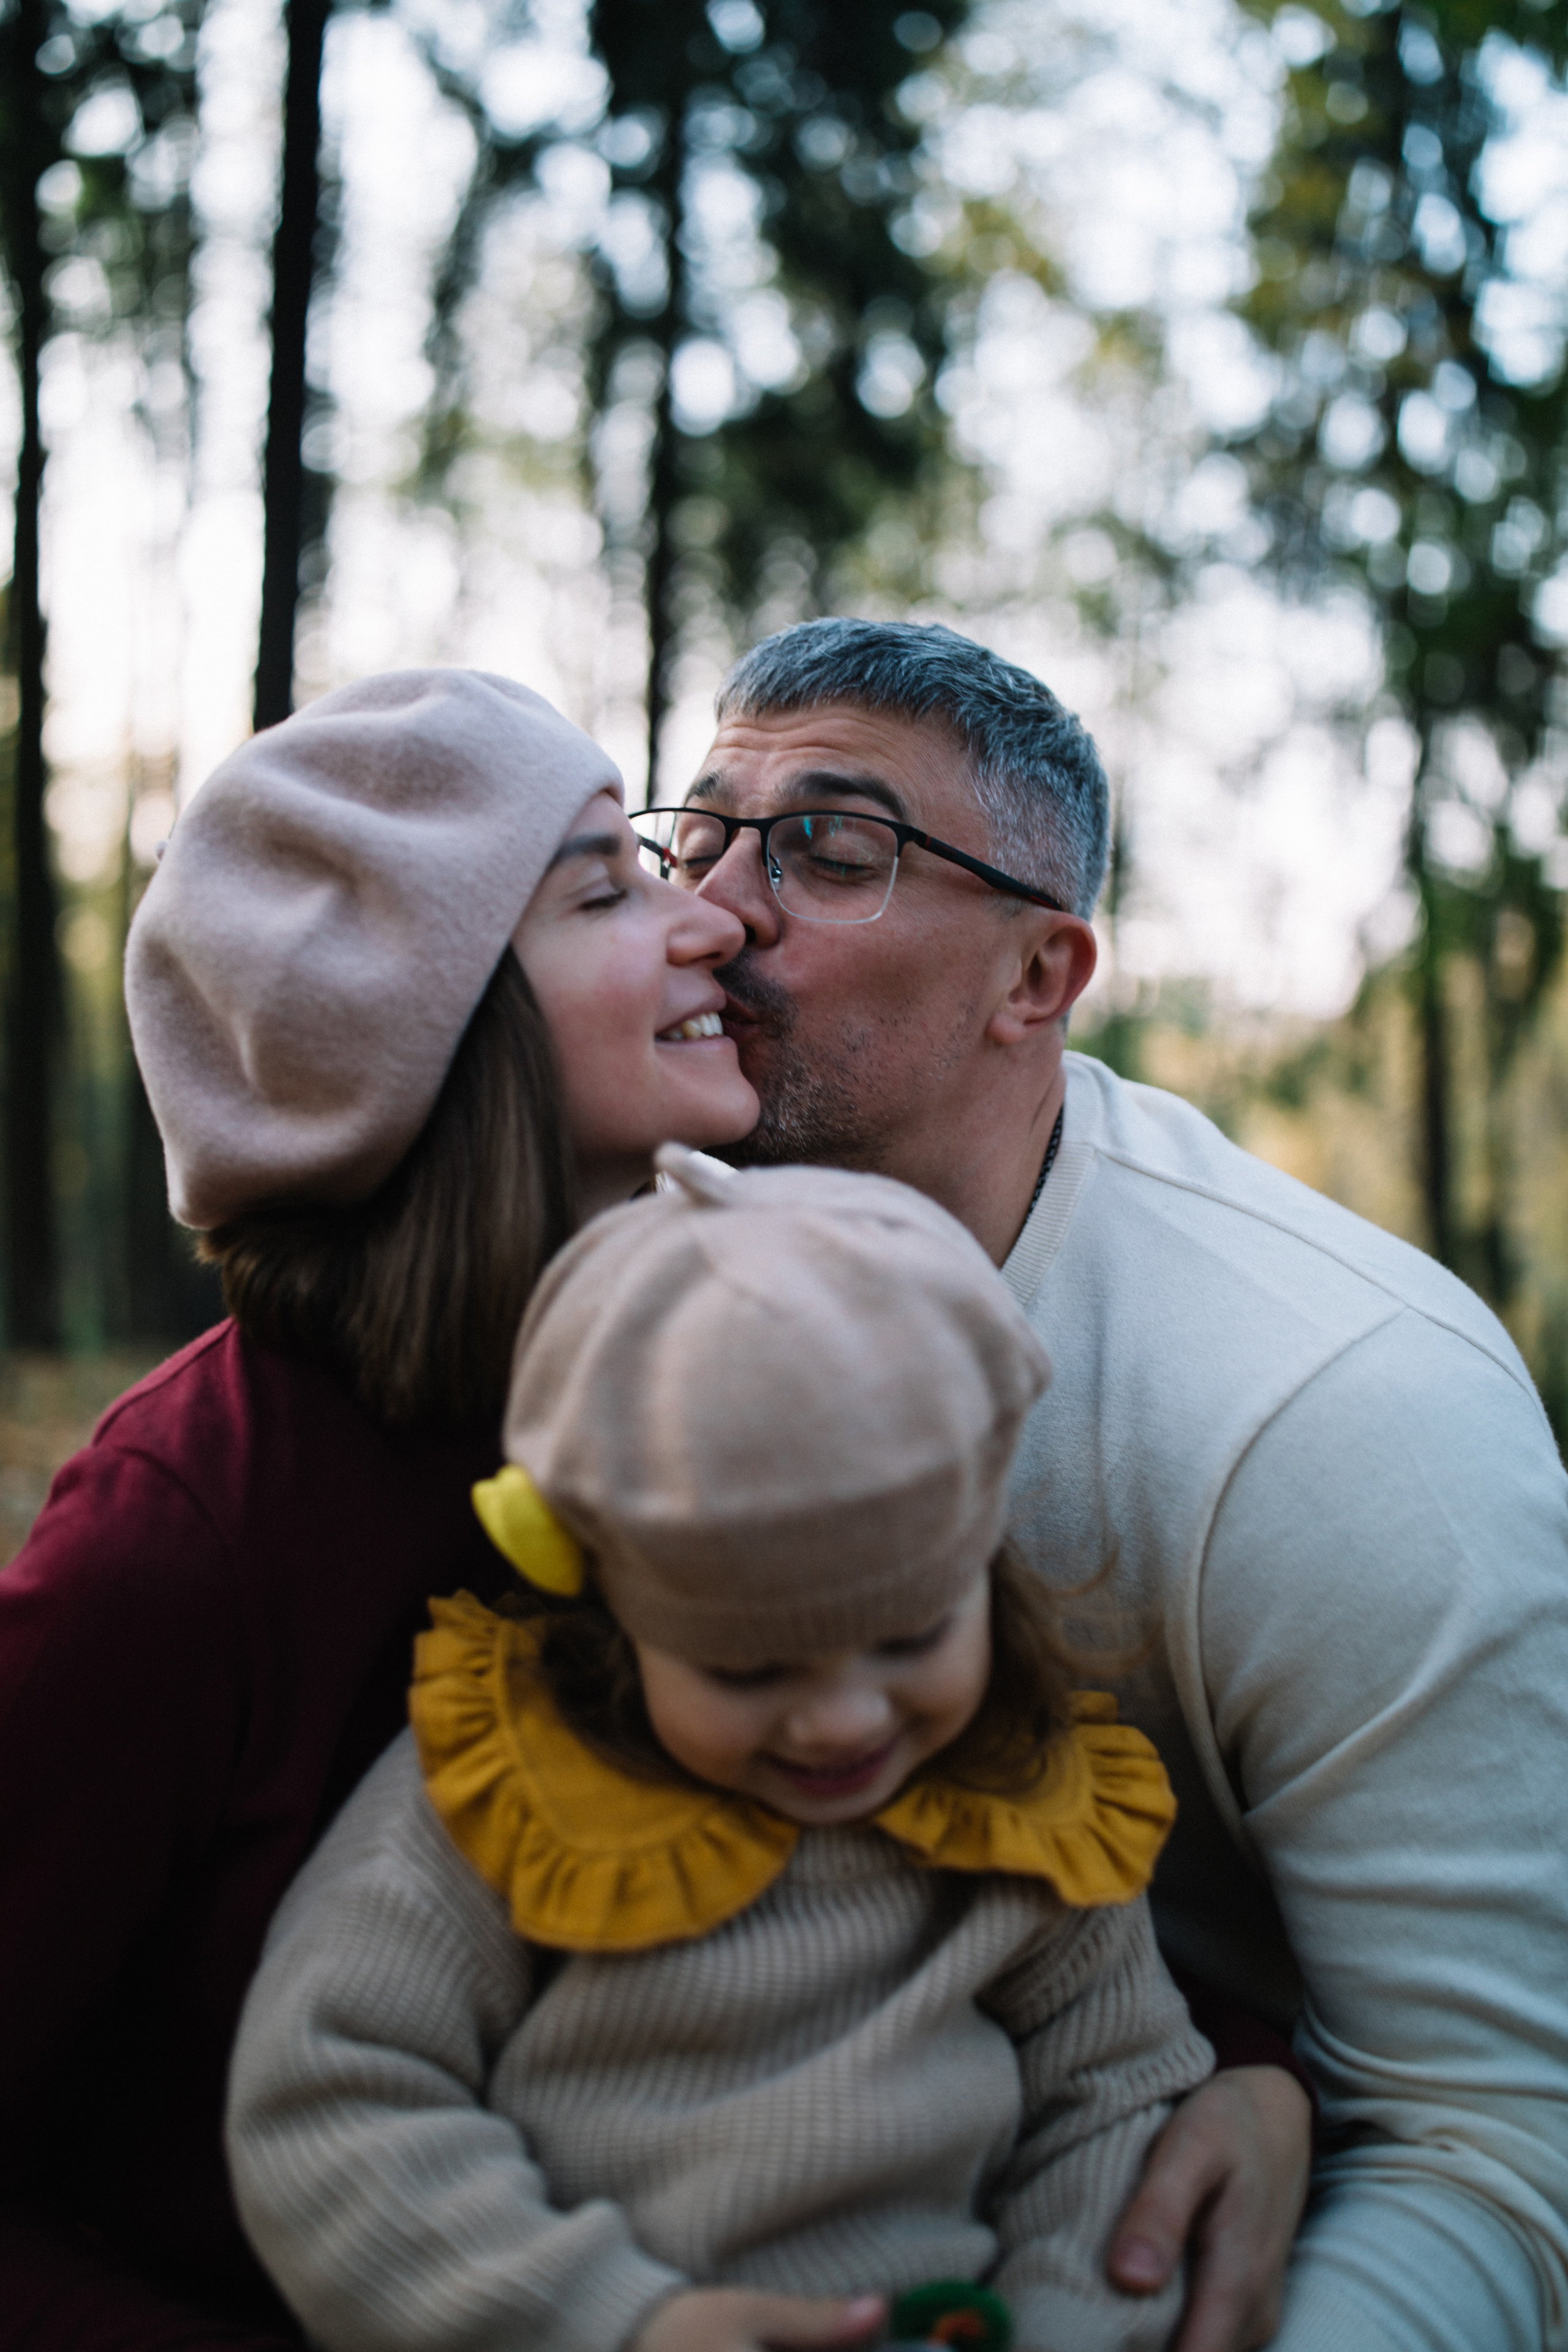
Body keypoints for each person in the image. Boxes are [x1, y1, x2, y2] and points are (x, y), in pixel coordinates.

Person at [628, 616, 1568, 2352]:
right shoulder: (612, 1273)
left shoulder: (1336, 1415)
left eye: (832, 850)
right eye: (697, 837)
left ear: (1039, 980)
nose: (715, 910)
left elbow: (1490, 2147)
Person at [0, 669, 758, 2351]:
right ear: (429, 1029)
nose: (705, 917)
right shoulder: (178, 1543)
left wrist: (1230, 2070)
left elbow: (941, 1771)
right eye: (604, 889)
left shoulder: (737, 1373)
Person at [225, 1150, 1216, 2352]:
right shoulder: (510, 1791)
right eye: (748, 1670)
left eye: (909, 1636)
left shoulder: (1026, 1797)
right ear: (612, 1615)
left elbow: (1111, 2104)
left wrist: (1064, 2324)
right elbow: (331, 2101)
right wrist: (614, 2322)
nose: (842, 1720)